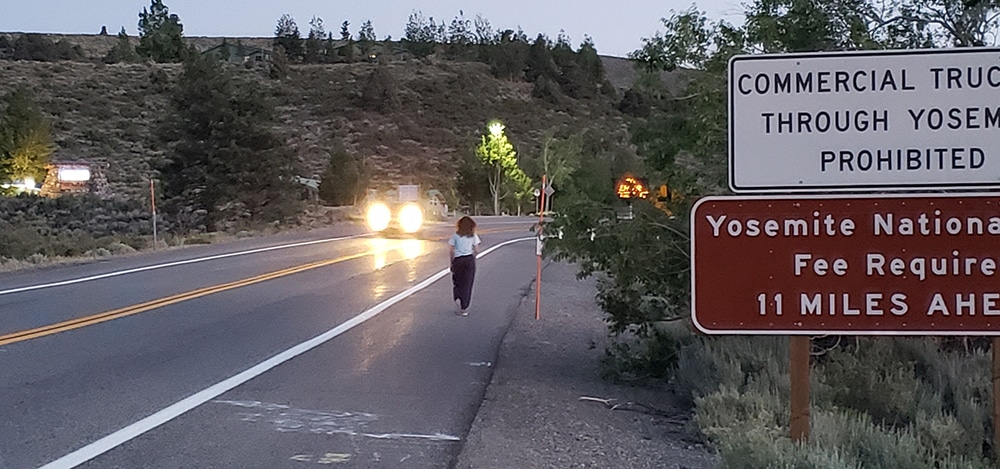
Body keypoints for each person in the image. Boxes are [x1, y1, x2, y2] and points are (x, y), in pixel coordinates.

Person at [448, 216, 481, 316]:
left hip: (458, 260)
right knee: (468, 283)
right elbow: (476, 249)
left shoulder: (455, 236)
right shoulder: (473, 236)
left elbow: (451, 250)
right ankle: (464, 308)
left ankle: (457, 297)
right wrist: (473, 257)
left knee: (458, 281)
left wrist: (452, 262)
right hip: (469, 260)